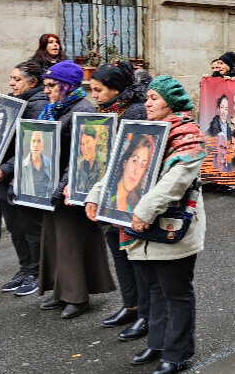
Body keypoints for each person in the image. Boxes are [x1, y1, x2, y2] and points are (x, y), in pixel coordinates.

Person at [88, 75, 206, 374]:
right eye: (148, 97)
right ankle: (157, 343)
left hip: (169, 225)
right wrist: (97, 197)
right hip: (137, 223)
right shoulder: (144, 132)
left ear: (171, 102)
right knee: (153, 288)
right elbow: (118, 167)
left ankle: (177, 354)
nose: (147, 103)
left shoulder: (188, 136)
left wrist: (141, 212)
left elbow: (174, 183)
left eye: (154, 98)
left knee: (175, 290)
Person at [37, 60, 115, 319]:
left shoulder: (83, 111)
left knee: (72, 241)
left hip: (73, 189)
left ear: (67, 86)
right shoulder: (53, 109)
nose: (46, 90)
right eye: (45, 85)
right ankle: (60, 291)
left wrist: (61, 189)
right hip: (52, 184)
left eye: (51, 85)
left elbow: (81, 157)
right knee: (55, 241)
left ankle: (77, 296)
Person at [87, 61, 149, 332]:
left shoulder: (134, 111)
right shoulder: (106, 110)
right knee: (119, 253)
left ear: (115, 89)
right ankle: (130, 305)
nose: (94, 96)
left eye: (98, 90)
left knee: (134, 256)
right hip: (110, 192)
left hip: (130, 195)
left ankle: (145, 314)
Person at [0, 60, 48, 297]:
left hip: (24, 177)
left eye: (17, 79)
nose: (11, 83)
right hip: (4, 177)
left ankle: (37, 273)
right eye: (11, 78)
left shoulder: (37, 105)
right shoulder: (12, 103)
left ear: (33, 82)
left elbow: (30, 147)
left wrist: (6, 169)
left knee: (30, 227)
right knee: (15, 228)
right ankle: (25, 268)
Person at [111, 134, 155, 213]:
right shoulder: (107, 194)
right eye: (135, 161)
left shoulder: (136, 206)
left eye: (142, 165)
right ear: (125, 163)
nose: (136, 171)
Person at [21, 131, 53, 198]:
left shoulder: (51, 166)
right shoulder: (22, 167)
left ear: (42, 145)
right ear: (30, 145)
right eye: (33, 141)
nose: (35, 145)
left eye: (39, 141)